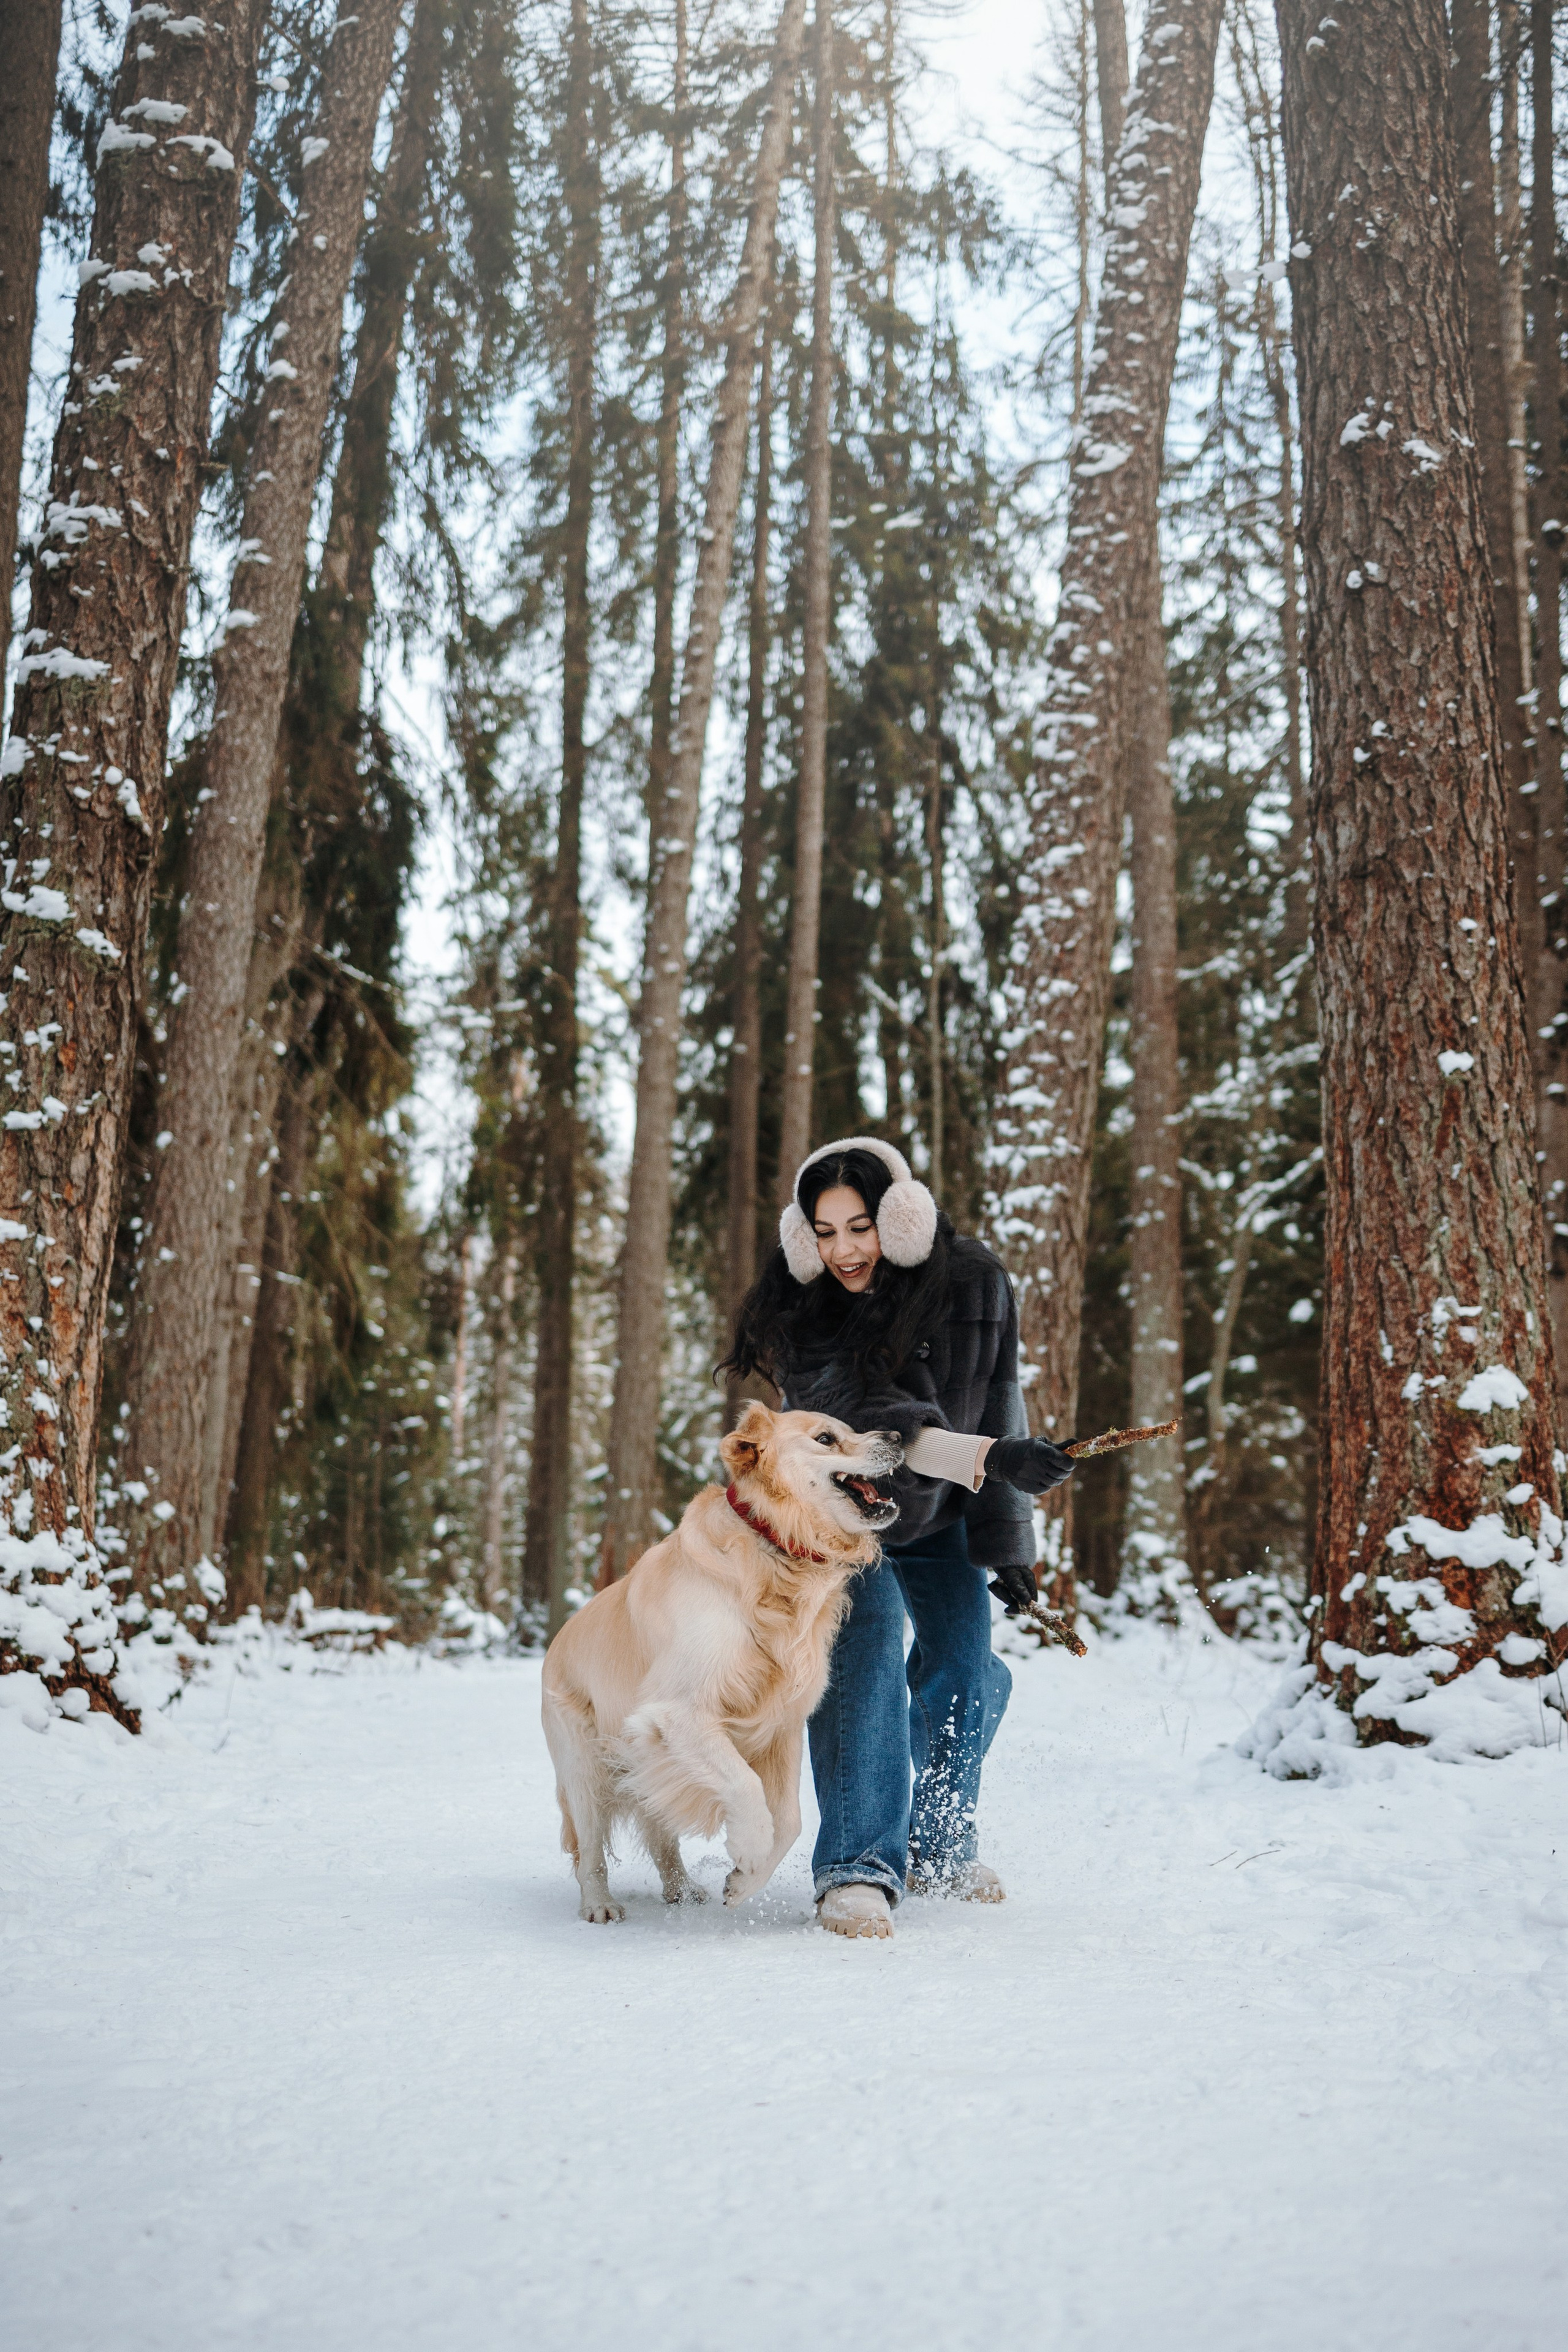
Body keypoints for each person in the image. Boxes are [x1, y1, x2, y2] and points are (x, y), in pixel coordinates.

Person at [718, 1136, 1073, 1939]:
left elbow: (998, 1401)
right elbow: (878, 1434)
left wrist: (1009, 1544)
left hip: (944, 1509)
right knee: (864, 1659)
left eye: (860, 1227)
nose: (842, 1250)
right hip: (841, 1518)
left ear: (903, 1219)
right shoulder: (804, 1310)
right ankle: (856, 1867)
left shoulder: (976, 1281)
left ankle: (941, 1843)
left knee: (968, 1671)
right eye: (824, 1230)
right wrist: (993, 1459)